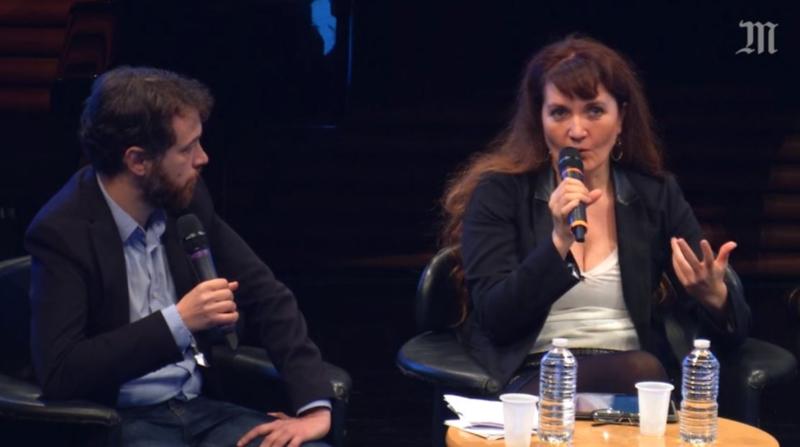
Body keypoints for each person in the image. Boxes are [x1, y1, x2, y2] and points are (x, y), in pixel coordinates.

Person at [26, 66, 333, 447]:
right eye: (187, 149)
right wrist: (180, 321)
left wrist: (314, 407)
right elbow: (62, 371)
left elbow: (267, 296)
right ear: (138, 160)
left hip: (199, 408)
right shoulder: (62, 231)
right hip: (118, 422)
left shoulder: (184, 200)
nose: (202, 159)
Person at [440, 36, 751, 395]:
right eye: (559, 112)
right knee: (642, 371)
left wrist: (715, 297)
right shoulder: (500, 193)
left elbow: (732, 334)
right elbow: (496, 320)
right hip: (533, 373)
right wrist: (557, 242)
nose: (576, 131)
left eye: (594, 111)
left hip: (632, 378)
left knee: (643, 370)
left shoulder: (656, 195)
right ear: (539, 119)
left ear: (621, 118)